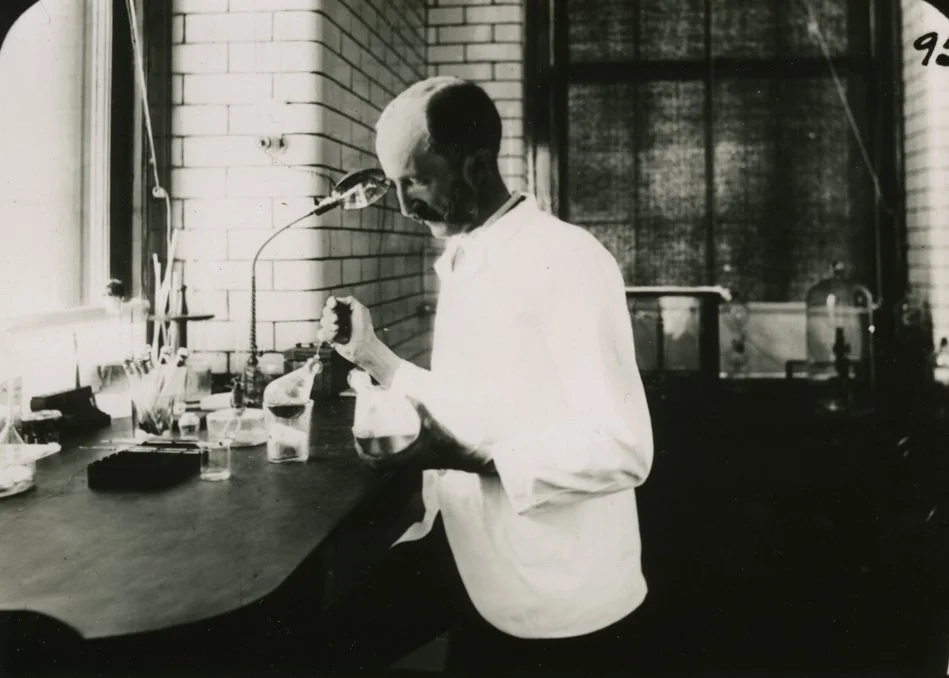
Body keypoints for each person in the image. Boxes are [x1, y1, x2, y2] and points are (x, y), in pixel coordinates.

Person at [318, 76, 654, 676]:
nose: (400, 205)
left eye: (414, 180)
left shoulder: (568, 259)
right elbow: (477, 403)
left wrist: (470, 457)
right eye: (393, 183)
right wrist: (373, 356)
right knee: (324, 643)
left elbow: (626, 448)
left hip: (556, 595)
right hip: (471, 551)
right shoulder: (469, 254)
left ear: (475, 167)